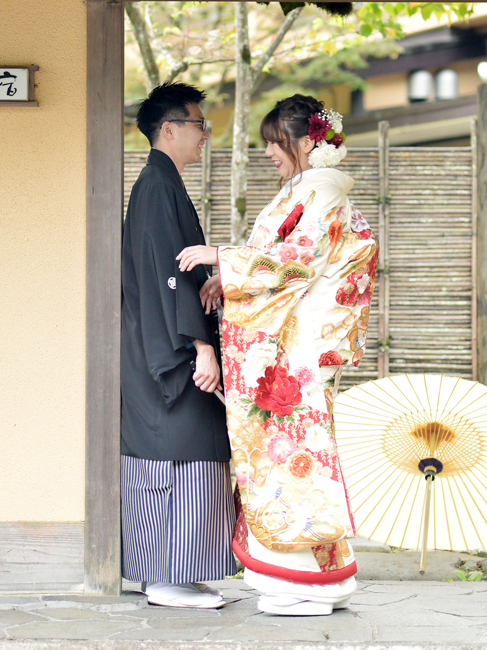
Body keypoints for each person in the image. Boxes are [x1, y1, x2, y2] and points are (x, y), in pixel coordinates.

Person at [178, 95, 379, 616]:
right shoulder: (306, 188)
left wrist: (220, 257)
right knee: (291, 453)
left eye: (276, 142)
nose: (268, 151)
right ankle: (317, 578)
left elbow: (298, 259)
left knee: (290, 456)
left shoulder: (322, 191)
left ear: (309, 141)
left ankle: (303, 582)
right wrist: (229, 275)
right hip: (293, 342)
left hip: (293, 349)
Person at [120, 82, 235, 609]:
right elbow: (165, 275)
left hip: (165, 345)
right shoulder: (156, 186)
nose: (206, 136)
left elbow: (177, 271)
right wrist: (198, 346)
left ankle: (174, 573)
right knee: (176, 451)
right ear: (169, 129)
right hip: (167, 354)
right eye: (199, 125)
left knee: (187, 452)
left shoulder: (162, 184)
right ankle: (164, 577)